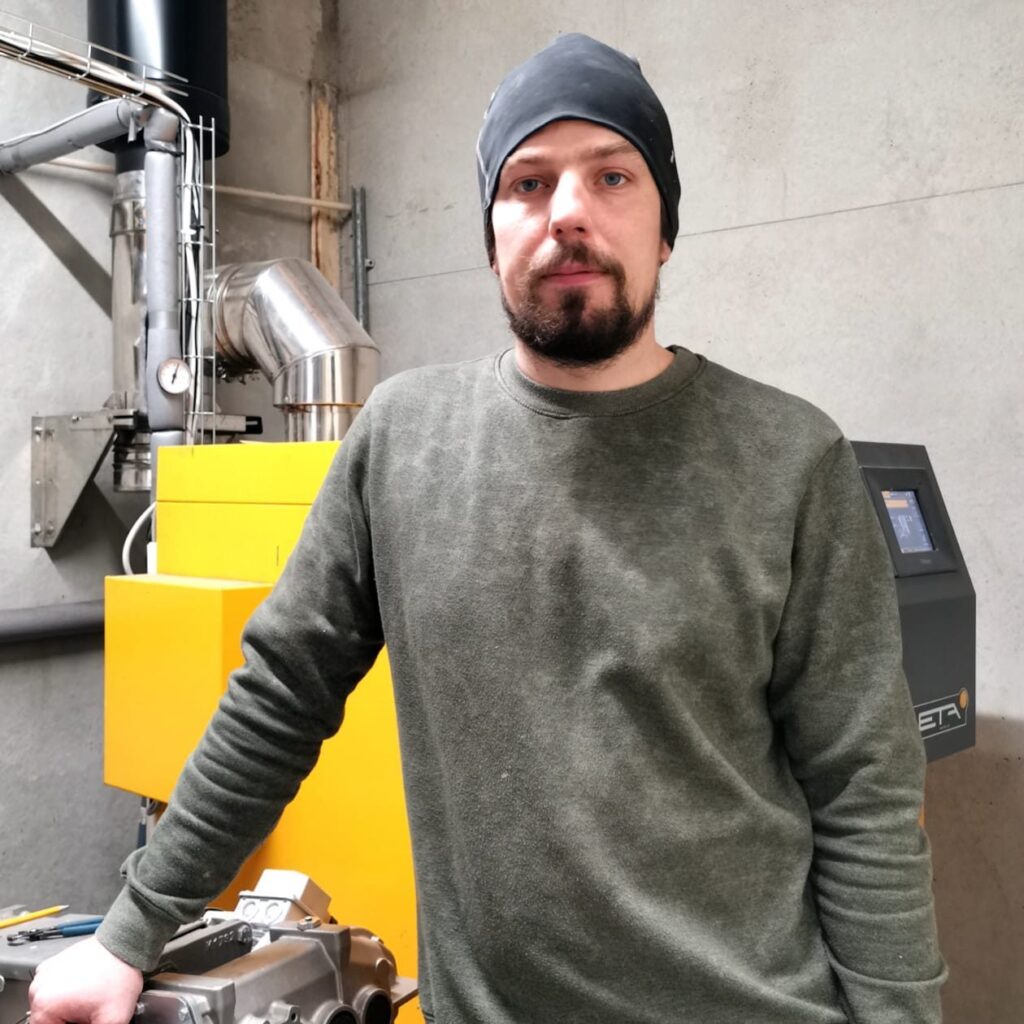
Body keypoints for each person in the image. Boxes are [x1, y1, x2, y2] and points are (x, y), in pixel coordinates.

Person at [30, 33, 944, 1024]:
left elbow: (863, 792)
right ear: (490, 234)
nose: (568, 213)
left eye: (612, 176)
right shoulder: (403, 440)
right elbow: (277, 699)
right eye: (528, 183)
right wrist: (128, 935)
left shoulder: (790, 458)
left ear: (665, 227)